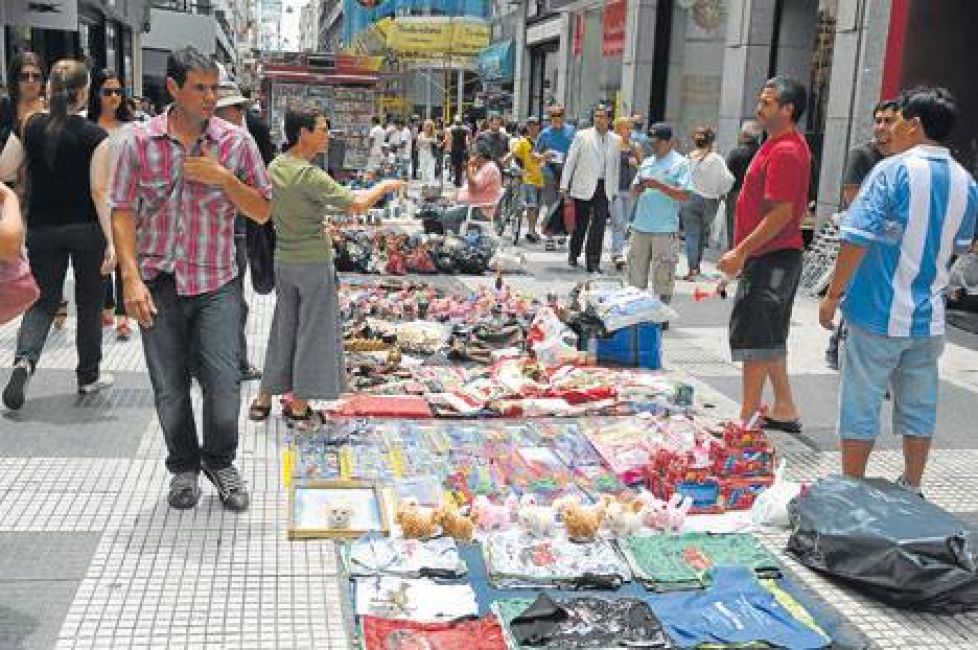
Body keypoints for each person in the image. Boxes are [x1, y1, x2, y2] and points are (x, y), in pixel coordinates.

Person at [110, 46, 272, 512]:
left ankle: (220, 462)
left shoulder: (236, 143)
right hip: (158, 280)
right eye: (199, 87)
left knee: (223, 384)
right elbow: (121, 211)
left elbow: (262, 211)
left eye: (214, 87)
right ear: (174, 88)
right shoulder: (139, 143)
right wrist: (131, 278)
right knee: (170, 387)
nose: (209, 97)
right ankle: (183, 466)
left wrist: (224, 179)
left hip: (217, 282)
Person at [819, 86, 978, 496]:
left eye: (900, 119)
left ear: (915, 125)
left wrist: (833, 295)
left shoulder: (891, 171)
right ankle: (912, 484)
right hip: (929, 315)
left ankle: (851, 485)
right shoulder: (966, 182)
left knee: (861, 401)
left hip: (876, 310)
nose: (892, 128)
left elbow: (855, 237)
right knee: (920, 403)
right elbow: (961, 246)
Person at [249, 109, 405, 423]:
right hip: (312, 264)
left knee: (284, 328)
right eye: (322, 129)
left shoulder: (276, 167)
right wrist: (385, 186)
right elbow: (356, 204)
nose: (327, 134)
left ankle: (264, 397)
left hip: (284, 261)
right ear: (302, 133)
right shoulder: (310, 175)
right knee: (312, 332)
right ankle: (300, 405)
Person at [2, 59, 115, 411]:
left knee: (43, 299)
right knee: (90, 301)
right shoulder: (97, 137)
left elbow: (4, 168)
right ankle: (88, 376)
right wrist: (112, 241)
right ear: (83, 93)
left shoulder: (30, 126)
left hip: (41, 227)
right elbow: (100, 192)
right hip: (87, 229)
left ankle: (24, 361)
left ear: (49, 89)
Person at [718, 75, 811, 431]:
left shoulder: (786, 149)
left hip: (772, 256)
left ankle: (748, 416)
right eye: (760, 100)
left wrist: (740, 251)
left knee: (756, 336)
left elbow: (782, 213)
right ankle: (784, 407)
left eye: (768, 102)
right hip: (773, 255)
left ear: (788, 110)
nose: (759, 107)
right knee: (769, 335)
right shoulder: (774, 144)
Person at [824, 99, 899, 370]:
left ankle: (839, 344)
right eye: (878, 120)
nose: (881, 127)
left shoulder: (902, 159)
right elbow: (854, 201)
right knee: (856, 293)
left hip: (892, 245)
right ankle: (841, 347)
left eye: (888, 121)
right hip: (864, 239)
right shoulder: (863, 155)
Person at [214, 81, 264, 382]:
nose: (241, 113)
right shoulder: (231, 141)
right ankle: (237, 362)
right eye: (237, 108)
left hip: (237, 232)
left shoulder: (241, 140)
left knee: (232, 301)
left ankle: (234, 361)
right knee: (232, 302)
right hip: (229, 236)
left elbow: (261, 200)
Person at [89, 68, 135, 341]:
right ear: (97, 93)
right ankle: (106, 306)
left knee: (123, 255)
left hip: (123, 200)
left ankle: (122, 316)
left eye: (118, 91)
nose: (114, 96)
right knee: (100, 254)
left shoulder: (131, 128)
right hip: (93, 200)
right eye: (108, 91)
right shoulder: (87, 125)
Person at [627, 122, 692, 313]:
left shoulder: (681, 163)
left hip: (664, 228)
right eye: (651, 142)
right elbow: (634, 191)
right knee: (635, 273)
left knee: (663, 275)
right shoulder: (646, 162)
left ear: (670, 142)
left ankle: (661, 314)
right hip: (641, 226)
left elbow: (685, 195)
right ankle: (635, 312)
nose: (653, 146)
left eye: (658, 143)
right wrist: (637, 188)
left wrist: (660, 186)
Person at [560, 104, 621, 273]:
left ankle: (593, 262)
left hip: (604, 186)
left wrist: (614, 190)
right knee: (581, 223)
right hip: (583, 185)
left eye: (602, 116)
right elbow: (571, 160)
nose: (599, 119)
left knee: (599, 224)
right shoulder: (582, 136)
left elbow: (615, 167)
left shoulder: (616, 140)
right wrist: (564, 185)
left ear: (609, 119)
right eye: (596, 116)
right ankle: (574, 252)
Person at [681, 126, 734, 279]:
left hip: (690, 198)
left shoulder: (688, 157)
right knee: (702, 234)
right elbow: (728, 180)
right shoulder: (717, 159)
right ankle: (696, 265)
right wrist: (720, 192)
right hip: (710, 200)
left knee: (691, 234)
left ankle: (693, 268)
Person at [436, 137, 503, 234]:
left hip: (479, 208)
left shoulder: (489, 169)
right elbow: (467, 187)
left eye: (472, 154)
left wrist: (469, 168)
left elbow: (473, 187)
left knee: (447, 216)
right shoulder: (482, 167)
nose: (470, 156)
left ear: (479, 156)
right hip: (471, 204)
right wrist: (454, 197)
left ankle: (455, 240)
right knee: (439, 210)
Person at [536, 105, 576, 250]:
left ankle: (563, 232)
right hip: (549, 172)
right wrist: (543, 156)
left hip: (567, 173)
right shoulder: (544, 134)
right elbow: (535, 155)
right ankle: (550, 236)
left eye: (559, 115)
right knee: (551, 204)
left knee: (565, 204)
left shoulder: (571, 131)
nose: (556, 119)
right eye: (553, 116)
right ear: (549, 118)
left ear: (563, 116)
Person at [610, 116, 644, 270]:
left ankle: (618, 251)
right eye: (626, 128)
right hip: (614, 189)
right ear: (618, 129)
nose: (629, 131)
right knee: (618, 222)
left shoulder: (634, 146)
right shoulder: (612, 145)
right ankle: (618, 253)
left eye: (630, 128)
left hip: (629, 189)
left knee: (624, 223)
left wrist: (636, 164)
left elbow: (644, 167)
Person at [724, 120, 763, 251]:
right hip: (758, 194)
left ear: (744, 134)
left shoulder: (736, 153)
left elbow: (727, 175)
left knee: (734, 224)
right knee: (754, 225)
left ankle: (735, 252)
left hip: (736, 192)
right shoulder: (763, 152)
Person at [509, 116, 545, 243]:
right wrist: (520, 168)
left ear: (538, 126)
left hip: (543, 178)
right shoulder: (523, 141)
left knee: (538, 206)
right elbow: (515, 155)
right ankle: (530, 230)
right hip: (529, 179)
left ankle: (533, 229)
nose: (532, 128)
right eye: (530, 125)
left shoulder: (543, 140)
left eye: (534, 125)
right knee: (532, 205)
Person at [446, 115, 470, 188]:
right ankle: (459, 180)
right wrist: (468, 148)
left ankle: (456, 180)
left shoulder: (451, 129)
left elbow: (450, 139)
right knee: (460, 165)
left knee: (455, 165)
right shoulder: (466, 129)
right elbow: (467, 140)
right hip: (463, 148)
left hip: (454, 148)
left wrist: (448, 149)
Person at [417, 119, 437, 184]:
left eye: (429, 126)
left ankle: (431, 186)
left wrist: (426, 140)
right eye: (426, 126)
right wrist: (430, 140)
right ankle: (424, 187)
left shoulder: (434, 134)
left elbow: (435, 142)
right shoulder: (421, 134)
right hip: (422, 154)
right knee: (423, 171)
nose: (428, 128)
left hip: (431, 155)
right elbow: (418, 143)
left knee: (430, 171)